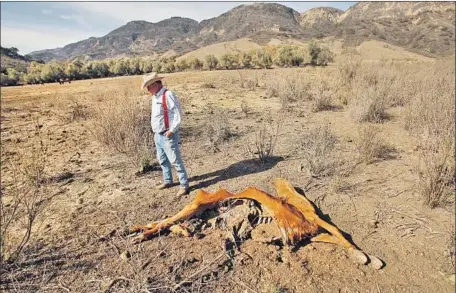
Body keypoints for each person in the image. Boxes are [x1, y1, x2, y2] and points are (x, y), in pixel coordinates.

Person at [141, 72, 189, 196]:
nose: (148, 89)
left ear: (157, 84)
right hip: (158, 135)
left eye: (149, 85)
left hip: (167, 134)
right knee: (162, 159)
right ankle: (168, 181)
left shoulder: (168, 95)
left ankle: (184, 185)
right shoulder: (155, 96)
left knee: (175, 161)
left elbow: (177, 113)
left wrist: (172, 130)